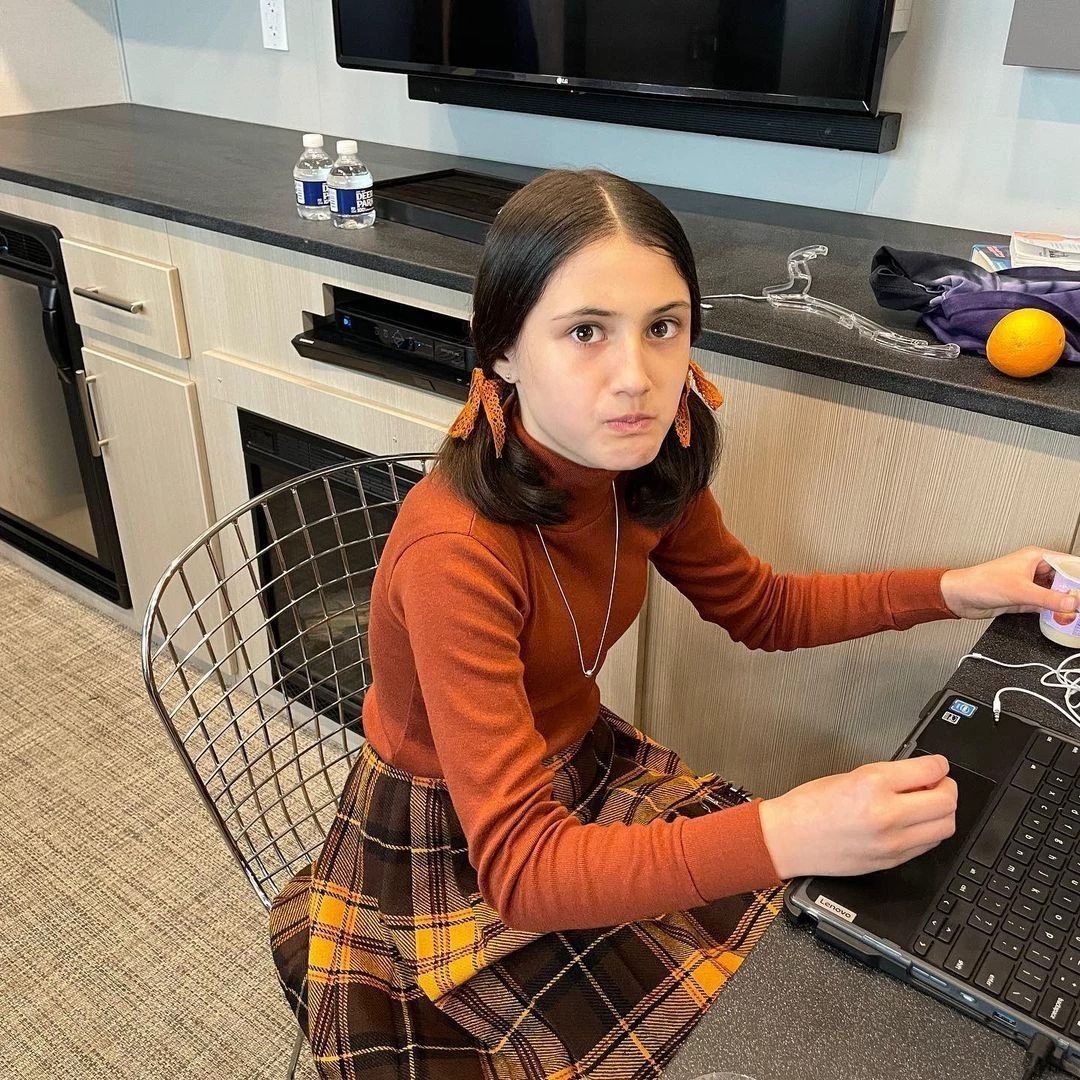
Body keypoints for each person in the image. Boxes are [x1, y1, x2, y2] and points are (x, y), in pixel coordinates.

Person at [268, 168, 1077, 1080]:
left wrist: (961, 587)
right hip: (451, 845)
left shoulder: (646, 464)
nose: (638, 380)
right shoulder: (455, 551)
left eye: (663, 327)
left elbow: (764, 608)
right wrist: (787, 829)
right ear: (502, 352)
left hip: (578, 772)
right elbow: (523, 874)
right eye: (585, 332)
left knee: (803, 965)